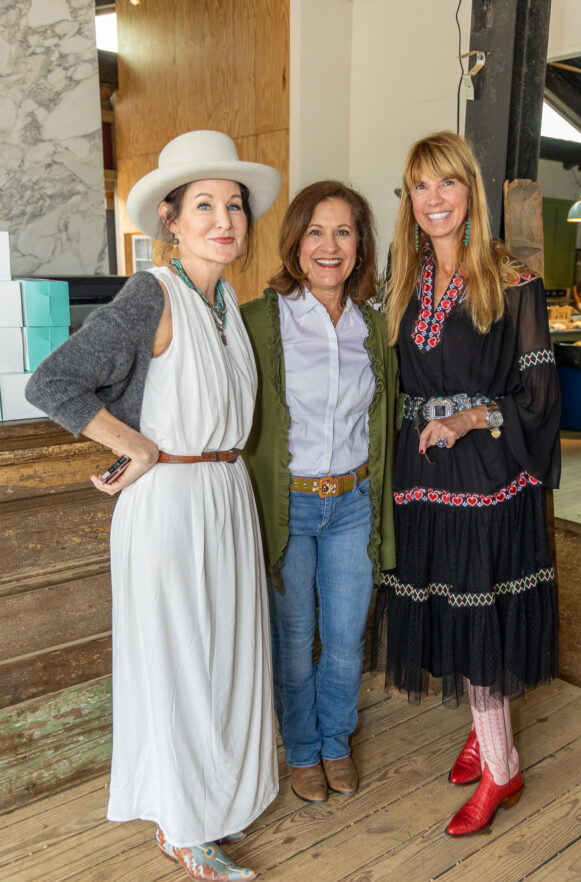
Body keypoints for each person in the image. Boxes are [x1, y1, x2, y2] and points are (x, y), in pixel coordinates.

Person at [25, 130, 282, 882]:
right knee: (178, 665)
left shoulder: (229, 303)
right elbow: (54, 383)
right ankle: (181, 823)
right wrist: (134, 448)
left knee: (227, 654)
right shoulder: (151, 293)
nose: (223, 217)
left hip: (225, 495)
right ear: (170, 219)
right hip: (169, 502)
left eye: (233, 204)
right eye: (203, 204)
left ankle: (218, 800)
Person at [373, 131, 561, 835]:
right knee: (451, 609)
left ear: (468, 192)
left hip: (484, 473)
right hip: (418, 474)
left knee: (479, 613)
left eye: (446, 183)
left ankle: (501, 771)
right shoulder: (400, 273)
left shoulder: (512, 280)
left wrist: (468, 417)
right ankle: (488, 732)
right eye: (419, 186)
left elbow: (539, 398)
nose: (433, 200)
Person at [240, 181, 398, 804]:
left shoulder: (375, 328)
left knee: (345, 640)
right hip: (290, 506)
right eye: (316, 231)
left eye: (344, 232)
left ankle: (336, 741)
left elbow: (387, 418)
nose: (330, 246)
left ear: (360, 246)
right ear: (295, 244)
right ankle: (302, 749)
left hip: (353, 504)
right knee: (292, 637)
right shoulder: (262, 320)